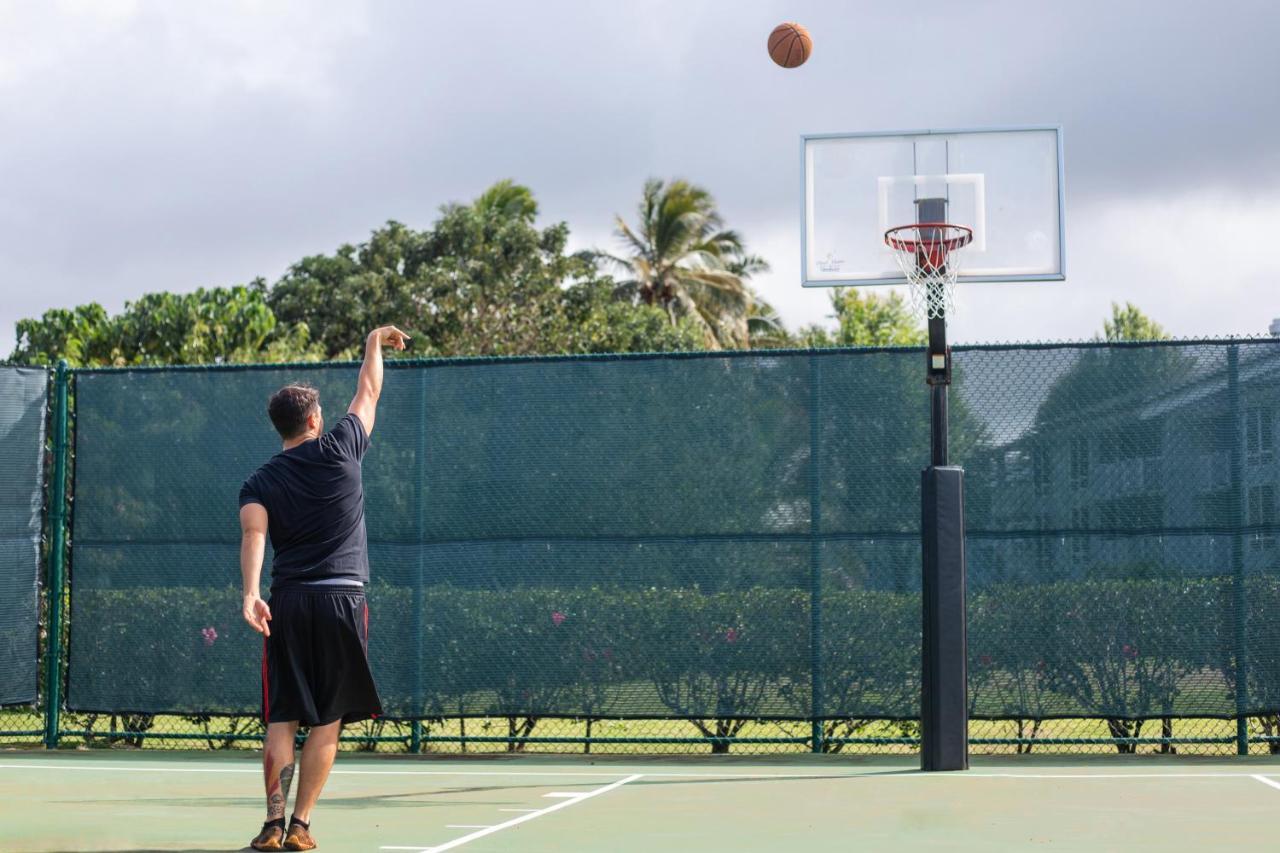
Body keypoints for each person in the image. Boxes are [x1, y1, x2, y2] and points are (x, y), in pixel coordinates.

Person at [238, 325, 410, 851]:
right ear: (314, 420)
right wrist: (373, 342)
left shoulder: (259, 481)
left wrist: (250, 593)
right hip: (342, 601)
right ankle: (300, 828)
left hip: (287, 604)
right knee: (328, 721)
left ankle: (271, 826)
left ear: (279, 428)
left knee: (282, 717)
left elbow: (254, 534)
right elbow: (370, 390)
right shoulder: (343, 447)